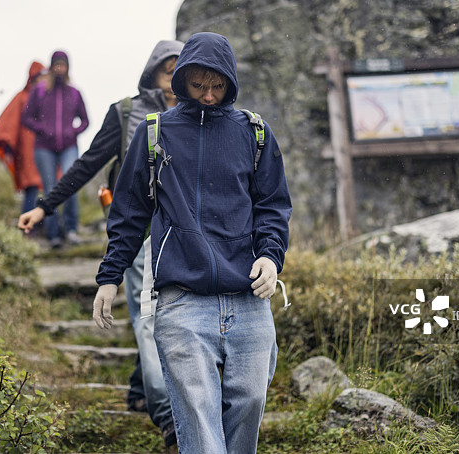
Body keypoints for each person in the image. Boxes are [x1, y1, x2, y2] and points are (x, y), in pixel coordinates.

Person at [92, 32, 292, 453]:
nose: (207, 95)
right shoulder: (154, 134)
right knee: (199, 420)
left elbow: (273, 206)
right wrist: (109, 278)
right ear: (180, 81)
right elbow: (129, 213)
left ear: (230, 82)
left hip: (249, 297)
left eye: (217, 86)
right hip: (181, 300)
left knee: (251, 402)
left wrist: (271, 257)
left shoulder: (254, 134)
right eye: (198, 85)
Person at [18, 40, 184, 447]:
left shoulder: (199, 113)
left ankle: (140, 389)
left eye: (184, 73)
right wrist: (44, 208)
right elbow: (88, 163)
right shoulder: (126, 112)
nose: (177, 81)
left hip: (183, 238)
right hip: (137, 234)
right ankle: (168, 417)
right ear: (152, 72)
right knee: (149, 318)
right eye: (169, 71)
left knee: (170, 318)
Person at [21, 50, 89, 248]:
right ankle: (53, 235)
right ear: (51, 67)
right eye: (57, 64)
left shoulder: (74, 93)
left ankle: (71, 229)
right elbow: (26, 118)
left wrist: (73, 132)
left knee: (71, 185)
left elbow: (85, 120)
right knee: (50, 189)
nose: (60, 68)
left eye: (63, 65)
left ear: (68, 67)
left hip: (68, 146)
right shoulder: (40, 91)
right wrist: (42, 129)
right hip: (44, 147)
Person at [0, 61, 46, 218]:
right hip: (26, 150)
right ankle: (28, 225)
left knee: (44, 186)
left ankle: (44, 226)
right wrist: (8, 148)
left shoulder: (44, 98)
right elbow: (9, 124)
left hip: (42, 149)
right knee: (31, 186)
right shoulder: (22, 98)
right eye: (41, 76)